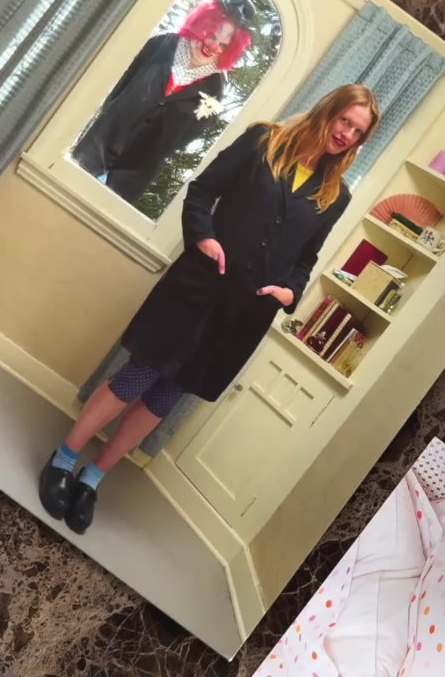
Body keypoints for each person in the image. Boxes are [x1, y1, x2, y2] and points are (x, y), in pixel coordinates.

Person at [39, 84, 381, 534]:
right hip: (200, 287)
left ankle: (93, 478)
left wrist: (289, 293)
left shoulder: (336, 195)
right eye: (345, 122)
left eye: (358, 132)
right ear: (328, 111)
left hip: (243, 314)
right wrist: (204, 238)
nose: (347, 135)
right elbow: (202, 192)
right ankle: (64, 459)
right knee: (135, 377)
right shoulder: (263, 141)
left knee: (164, 397)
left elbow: (306, 258)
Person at [71, 0, 258, 205]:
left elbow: (186, 138)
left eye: (224, 45)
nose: (214, 46)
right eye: (212, 35)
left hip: (129, 181)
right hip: (92, 151)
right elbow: (117, 88)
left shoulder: (215, 88)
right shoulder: (161, 43)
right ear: (202, 24)